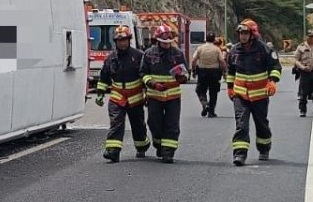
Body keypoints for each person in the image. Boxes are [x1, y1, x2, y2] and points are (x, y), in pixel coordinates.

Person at [226, 19, 282, 166]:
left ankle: (264, 148)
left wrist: (272, 81)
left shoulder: (264, 49)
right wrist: (230, 87)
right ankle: (239, 154)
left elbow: (275, 66)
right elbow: (230, 71)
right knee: (241, 124)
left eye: (245, 33)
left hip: (259, 95)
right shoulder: (234, 50)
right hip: (240, 96)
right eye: (240, 33)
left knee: (261, 124)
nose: (242, 36)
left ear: (252, 34)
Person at [94, 25, 150, 162]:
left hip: (135, 97)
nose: (122, 43)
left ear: (129, 40)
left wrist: (148, 94)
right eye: (119, 40)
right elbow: (104, 78)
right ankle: (113, 151)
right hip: (117, 96)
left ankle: (142, 146)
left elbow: (145, 76)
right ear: (115, 42)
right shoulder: (111, 58)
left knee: (138, 125)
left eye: (124, 40)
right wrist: (100, 93)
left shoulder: (138, 56)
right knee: (116, 123)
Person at [139, 24, 189, 164]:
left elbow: (186, 74)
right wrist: (152, 83)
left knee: (172, 124)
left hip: (173, 96)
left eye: (169, 42)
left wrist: (183, 77)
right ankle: (159, 143)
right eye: (164, 42)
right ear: (158, 41)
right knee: (154, 123)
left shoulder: (178, 54)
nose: (167, 45)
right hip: (154, 95)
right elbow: (143, 73)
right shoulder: (149, 54)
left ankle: (168, 152)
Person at [191, 32, 226, 118]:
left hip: (202, 72)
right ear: (214, 40)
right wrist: (225, 71)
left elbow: (194, 60)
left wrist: (194, 70)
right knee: (213, 92)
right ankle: (211, 112)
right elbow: (222, 61)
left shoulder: (200, 48)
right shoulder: (217, 49)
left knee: (200, 90)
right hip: (214, 73)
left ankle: (205, 103)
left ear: (206, 39)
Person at [292, 32, 313, 118]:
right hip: (305, 73)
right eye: (309, 36)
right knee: (304, 93)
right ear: (306, 37)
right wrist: (302, 67)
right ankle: (303, 110)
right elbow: (295, 60)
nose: (311, 38)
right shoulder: (301, 47)